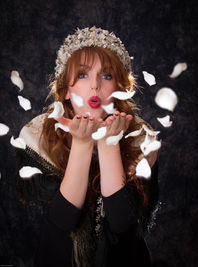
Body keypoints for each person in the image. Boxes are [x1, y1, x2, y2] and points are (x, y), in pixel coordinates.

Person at [15, 26, 159, 267]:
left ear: (120, 89)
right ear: (67, 90)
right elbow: (63, 220)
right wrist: (82, 145)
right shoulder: (36, 137)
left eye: (106, 76)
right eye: (82, 75)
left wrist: (108, 143)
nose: (95, 86)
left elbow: (122, 224)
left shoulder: (141, 138)